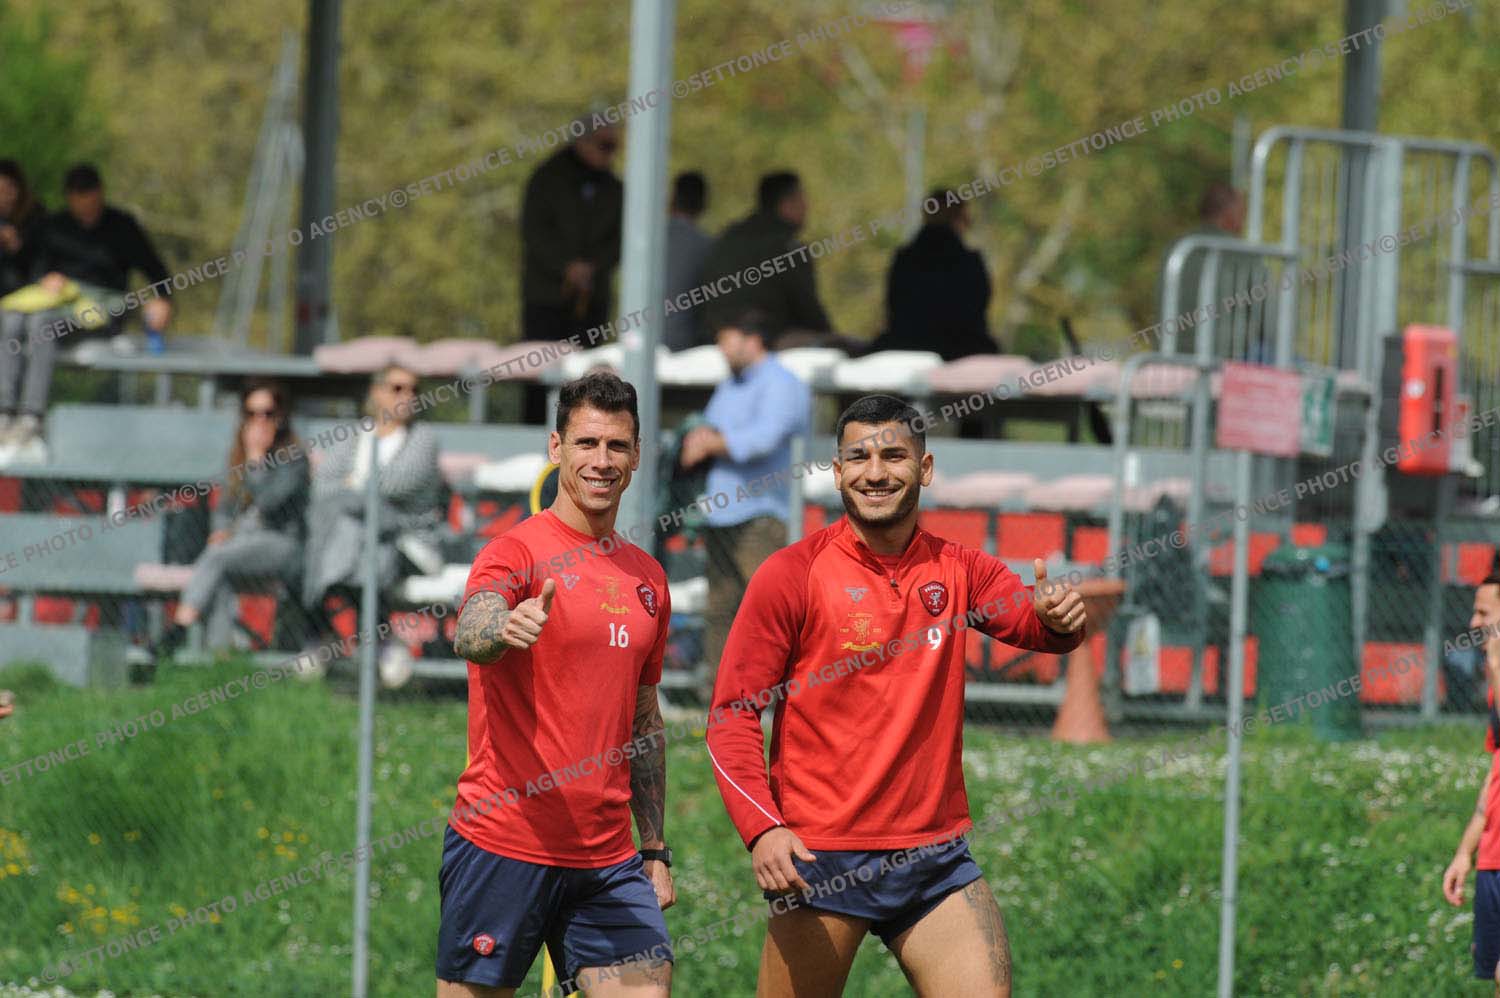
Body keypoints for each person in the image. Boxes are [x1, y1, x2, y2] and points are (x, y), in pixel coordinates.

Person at [705, 394, 1088, 997]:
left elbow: (1033, 624)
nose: (875, 472)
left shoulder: (962, 569)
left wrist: (1058, 618)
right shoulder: (791, 574)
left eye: (894, 456)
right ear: (838, 472)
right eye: (859, 457)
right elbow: (732, 714)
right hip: (822, 860)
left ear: (925, 468)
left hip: (933, 859)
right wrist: (763, 828)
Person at [438, 370, 674, 997]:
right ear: (556, 448)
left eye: (616, 446)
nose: (602, 461)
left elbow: (644, 721)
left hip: (608, 860)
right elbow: (471, 628)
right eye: (586, 443)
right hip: (504, 842)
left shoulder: (648, 577)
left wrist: (653, 848)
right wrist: (502, 627)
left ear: (636, 456)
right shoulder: (515, 552)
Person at [0, 163, 173, 463]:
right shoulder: (55, 226)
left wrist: (163, 299)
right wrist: (45, 278)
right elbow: (33, 271)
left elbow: (156, 270)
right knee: (13, 319)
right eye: (78, 199)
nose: (85, 206)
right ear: (69, 198)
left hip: (101, 309)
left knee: (43, 324)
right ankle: (5, 412)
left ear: (100, 194)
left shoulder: (121, 226)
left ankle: (31, 417)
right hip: (60, 301)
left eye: (89, 197)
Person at [679, 307, 810, 694]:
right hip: (722, 515)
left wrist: (709, 444)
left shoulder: (783, 383)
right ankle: (720, 697)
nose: (721, 348)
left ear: (752, 340)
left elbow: (763, 439)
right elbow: (709, 428)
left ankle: (777, 695)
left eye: (727, 339)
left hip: (763, 516)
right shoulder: (729, 386)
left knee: (771, 610)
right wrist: (696, 439)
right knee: (720, 609)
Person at [301, 364, 446, 685]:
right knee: (352, 534)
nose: (408, 396)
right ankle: (382, 642)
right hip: (358, 546)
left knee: (352, 533)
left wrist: (352, 483)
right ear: (376, 392)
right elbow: (322, 485)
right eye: (397, 388)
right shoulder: (356, 435)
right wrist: (359, 488)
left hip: (409, 544)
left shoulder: (423, 439)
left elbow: (397, 483)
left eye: (414, 389)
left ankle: (322, 635)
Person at [160, 380, 309, 654]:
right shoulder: (236, 457)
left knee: (217, 558)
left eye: (267, 413)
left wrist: (256, 462)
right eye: (251, 414)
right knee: (220, 570)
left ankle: (178, 629)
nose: (259, 421)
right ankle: (220, 657)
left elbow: (270, 502)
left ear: (280, 417)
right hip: (239, 547)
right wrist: (220, 530)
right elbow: (224, 508)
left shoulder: (294, 459)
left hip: (281, 544)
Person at [1442, 575, 1500, 991]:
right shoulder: (1495, 690)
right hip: (1492, 862)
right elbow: (1495, 774)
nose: (1473, 622)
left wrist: (1496, 660)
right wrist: (1465, 852)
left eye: (1483, 613)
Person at [520, 119, 624, 344]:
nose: (611, 153)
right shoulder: (546, 179)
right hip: (547, 299)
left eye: (614, 146)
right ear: (583, 142)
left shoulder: (614, 189)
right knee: (543, 361)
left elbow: (621, 239)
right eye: (606, 146)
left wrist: (593, 266)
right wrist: (567, 266)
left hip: (592, 302)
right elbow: (534, 231)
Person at [699, 172, 831, 340]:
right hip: (764, 340)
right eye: (801, 199)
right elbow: (810, 313)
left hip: (714, 336)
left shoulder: (727, 238)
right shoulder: (787, 248)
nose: (806, 207)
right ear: (786, 203)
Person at [873, 189, 996, 361]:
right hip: (964, 349)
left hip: (904, 344)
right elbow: (977, 307)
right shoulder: (969, 261)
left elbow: (894, 305)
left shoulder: (904, 260)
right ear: (959, 218)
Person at [662, 171, 713, 351]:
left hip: (638, 338)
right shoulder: (706, 246)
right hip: (683, 346)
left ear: (672, 199)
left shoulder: (644, 243)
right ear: (703, 204)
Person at [0, 160, 45, 299]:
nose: (4, 197)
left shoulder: (35, 216)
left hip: (28, 288)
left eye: (9, 189)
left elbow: (42, 260)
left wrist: (17, 247)